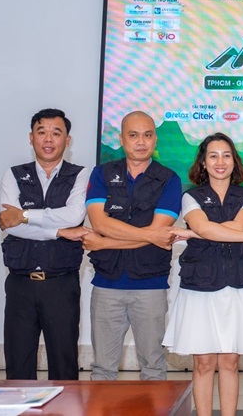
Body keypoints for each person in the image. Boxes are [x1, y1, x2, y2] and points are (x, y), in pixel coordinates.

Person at [164, 133, 243, 416]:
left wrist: (194, 232)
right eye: (213, 156)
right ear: (203, 162)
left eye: (226, 155)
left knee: (230, 362)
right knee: (203, 363)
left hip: (237, 285)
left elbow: (237, 227)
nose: (220, 161)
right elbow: (208, 228)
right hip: (200, 287)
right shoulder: (190, 197)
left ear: (234, 161)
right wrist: (240, 236)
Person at [83, 111, 182, 380]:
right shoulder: (102, 173)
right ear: (121, 139)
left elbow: (160, 229)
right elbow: (99, 222)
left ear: (155, 139)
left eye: (147, 135)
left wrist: (103, 242)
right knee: (103, 369)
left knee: (153, 368)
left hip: (150, 286)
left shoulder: (169, 179)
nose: (141, 142)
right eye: (133, 135)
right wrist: (149, 236)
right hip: (106, 284)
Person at [0, 108, 89, 379]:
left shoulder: (81, 175)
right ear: (31, 137)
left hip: (61, 284)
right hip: (20, 284)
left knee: (64, 366)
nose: (48, 139)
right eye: (42, 132)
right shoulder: (13, 174)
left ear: (67, 140)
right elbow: (10, 224)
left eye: (56, 133)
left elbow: (74, 215)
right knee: (18, 366)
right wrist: (60, 232)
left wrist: (25, 215)